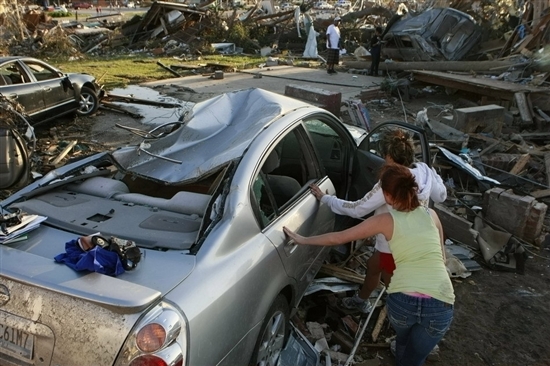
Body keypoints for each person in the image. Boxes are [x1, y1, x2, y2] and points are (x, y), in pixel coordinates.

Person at [284, 164, 455, 366]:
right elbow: (443, 258)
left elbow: (338, 238)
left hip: (403, 300)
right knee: (416, 357)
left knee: (402, 340)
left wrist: (302, 240)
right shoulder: (432, 215)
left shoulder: (385, 220)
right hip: (440, 301)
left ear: (389, 197)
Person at [310, 129, 447, 313]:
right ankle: (362, 300)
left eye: (384, 156)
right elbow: (442, 195)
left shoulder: (390, 183)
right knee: (372, 267)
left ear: (389, 156)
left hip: (394, 245)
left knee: (396, 291)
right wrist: (434, 174)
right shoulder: (425, 172)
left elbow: (358, 208)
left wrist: (326, 199)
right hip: (415, 241)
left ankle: (401, 324)